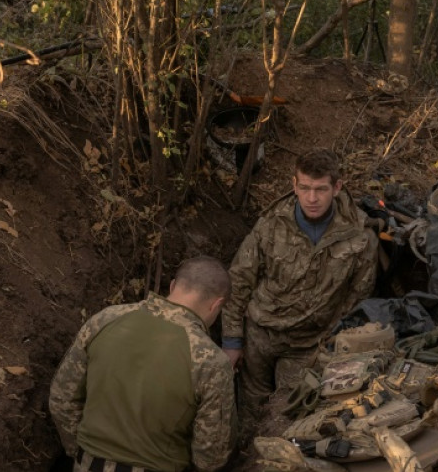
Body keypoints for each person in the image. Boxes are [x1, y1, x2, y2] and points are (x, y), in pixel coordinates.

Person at [221, 148, 378, 427]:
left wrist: (332, 340)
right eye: (304, 188)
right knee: (248, 414)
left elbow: (358, 295)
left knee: (285, 416)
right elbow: (239, 281)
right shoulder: (270, 225)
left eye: (320, 189)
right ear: (294, 185)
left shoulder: (359, 234)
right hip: (260, 334)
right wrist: (232, 341)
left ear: (337, 187)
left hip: (307, 344)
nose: (312, 198)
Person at [49, 256, 236, 472]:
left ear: (173, 285)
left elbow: (61, 399)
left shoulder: (105, 320)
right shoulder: (211, 361)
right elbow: (211, 453)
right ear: (217, 304)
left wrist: (80, 452)